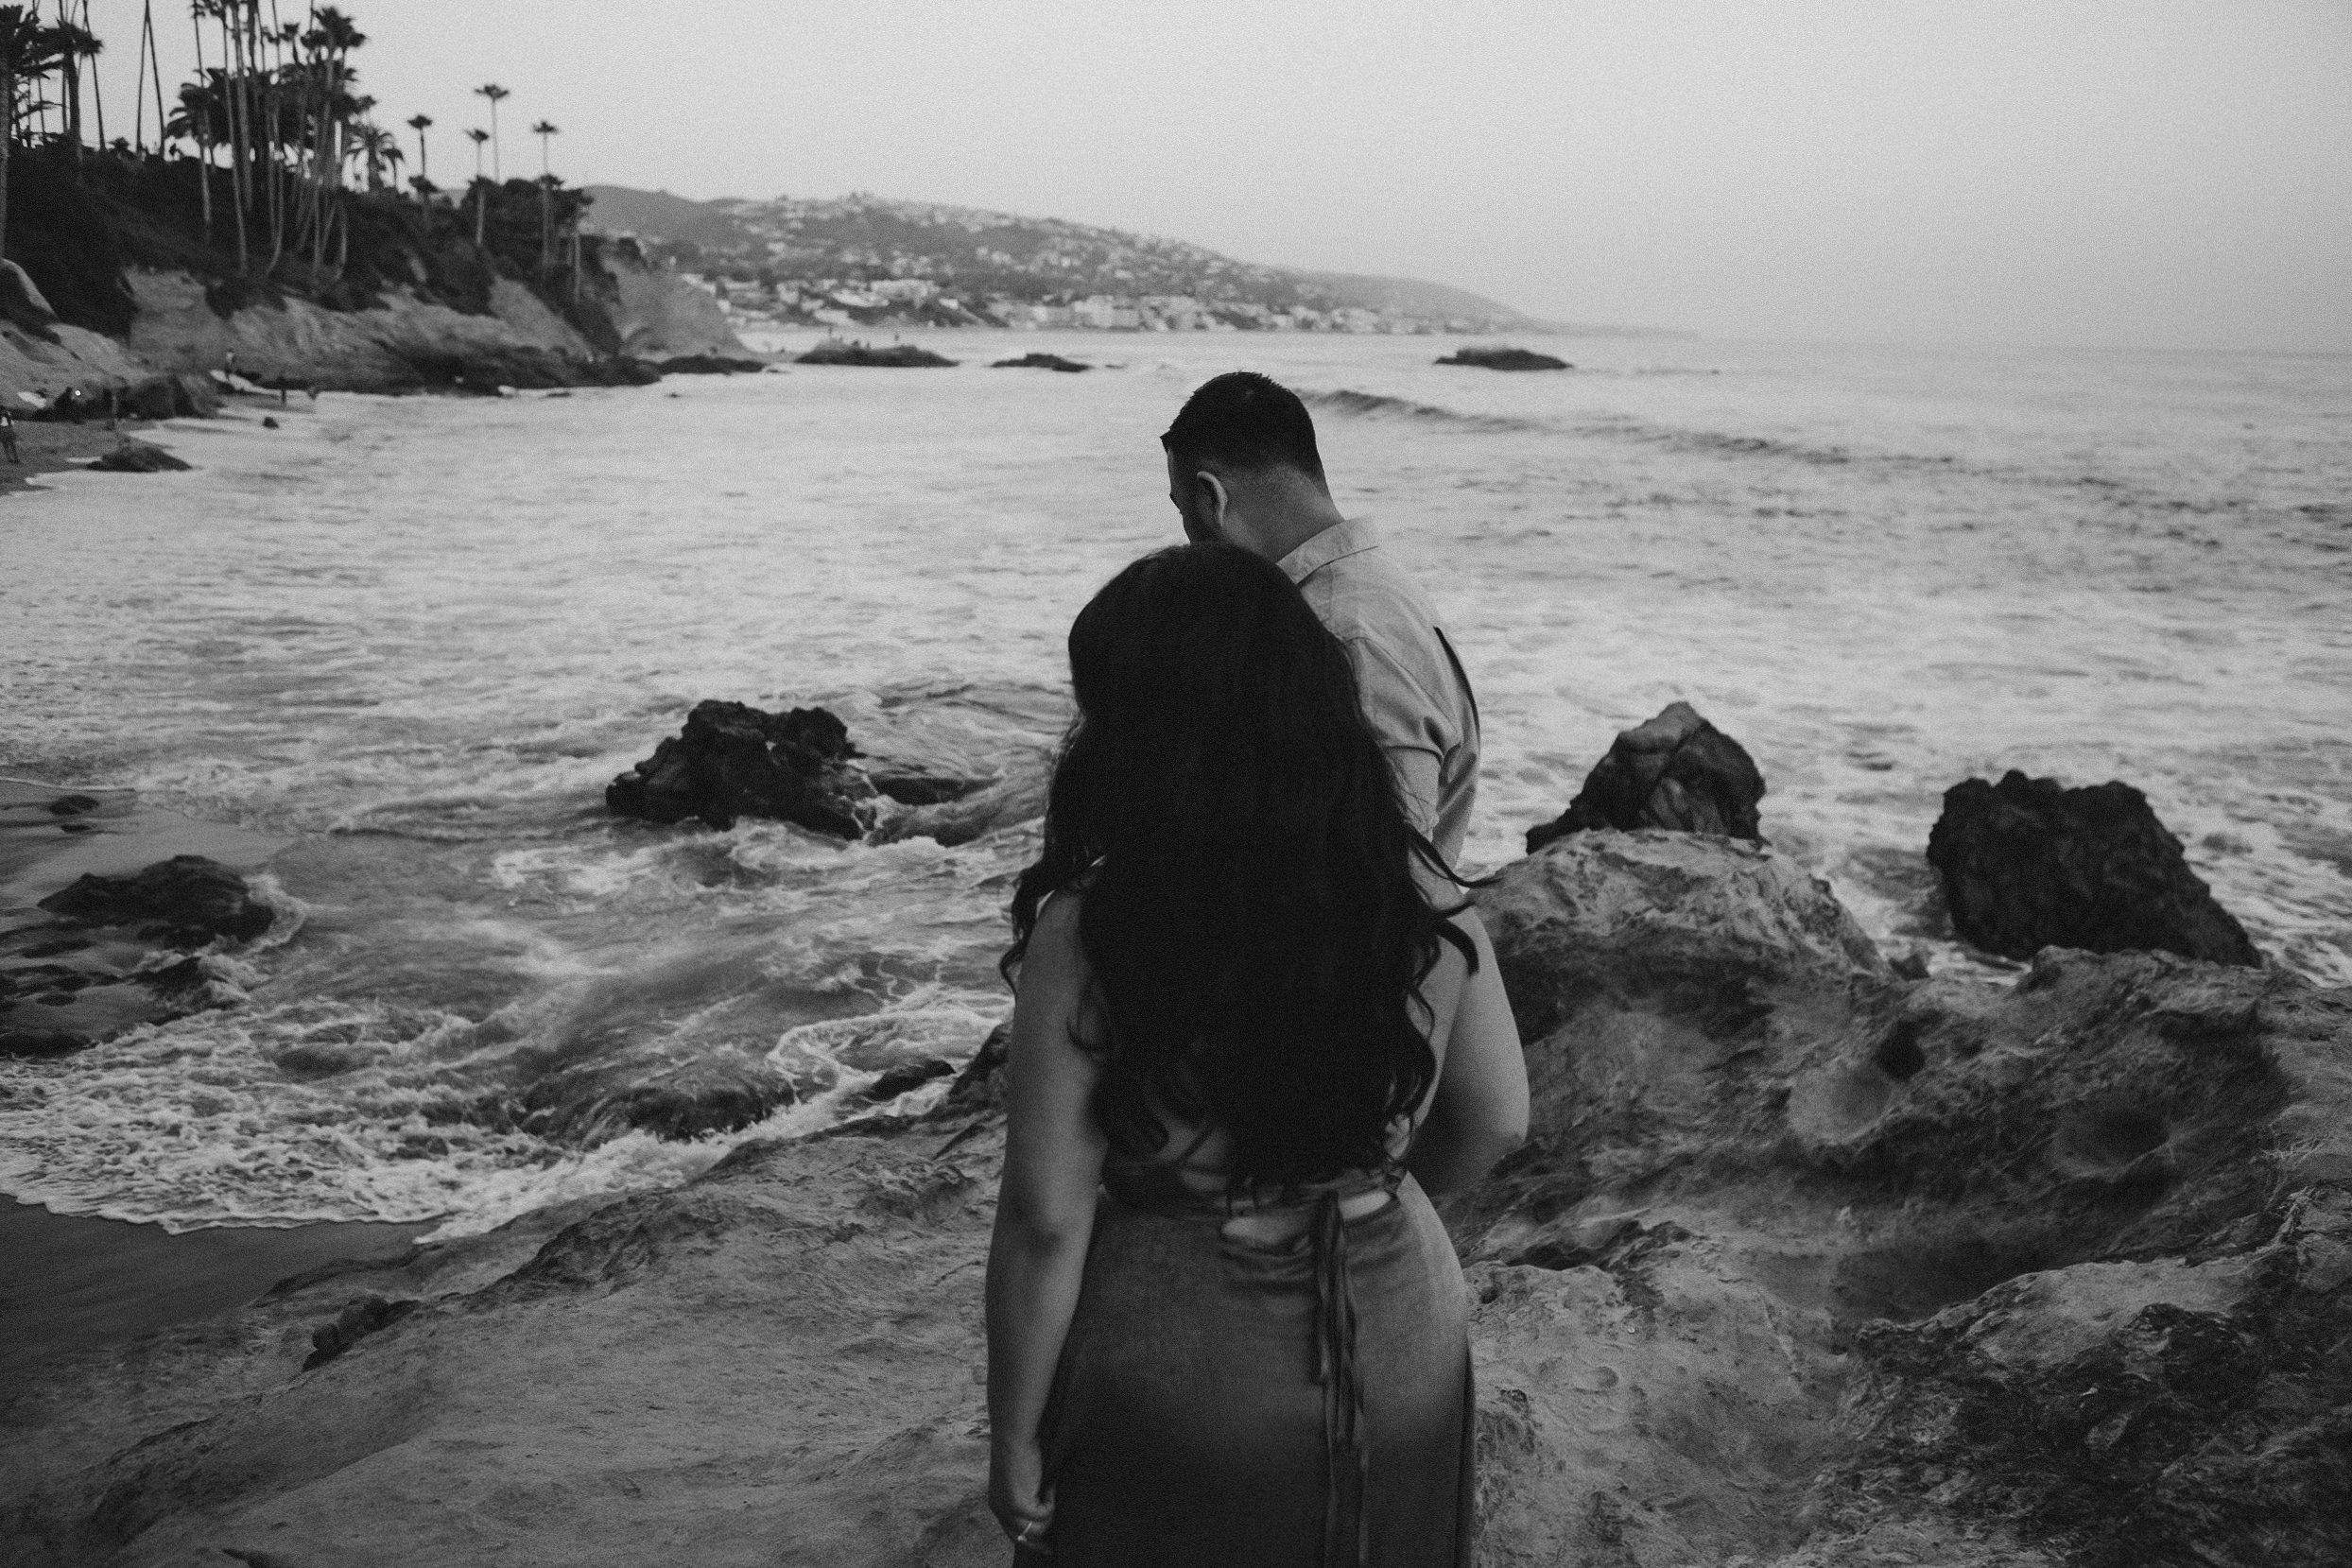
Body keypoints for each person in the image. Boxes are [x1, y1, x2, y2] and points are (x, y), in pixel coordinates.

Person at [985, 543, 1529, 1566]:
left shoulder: (1094, 926)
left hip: (1185, 1362)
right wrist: (1372, 1192)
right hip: (1404, 1331)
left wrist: (1012, 1435)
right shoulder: (1418, 888)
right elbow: (1499, 1118)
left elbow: (1043, 1223)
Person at [1163, 372, 1482, 869]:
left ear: (1212, 499)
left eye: (1183, 509)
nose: (1188, 538)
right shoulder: (1375, 589)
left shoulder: (1342, 637)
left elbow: (1384, 880)